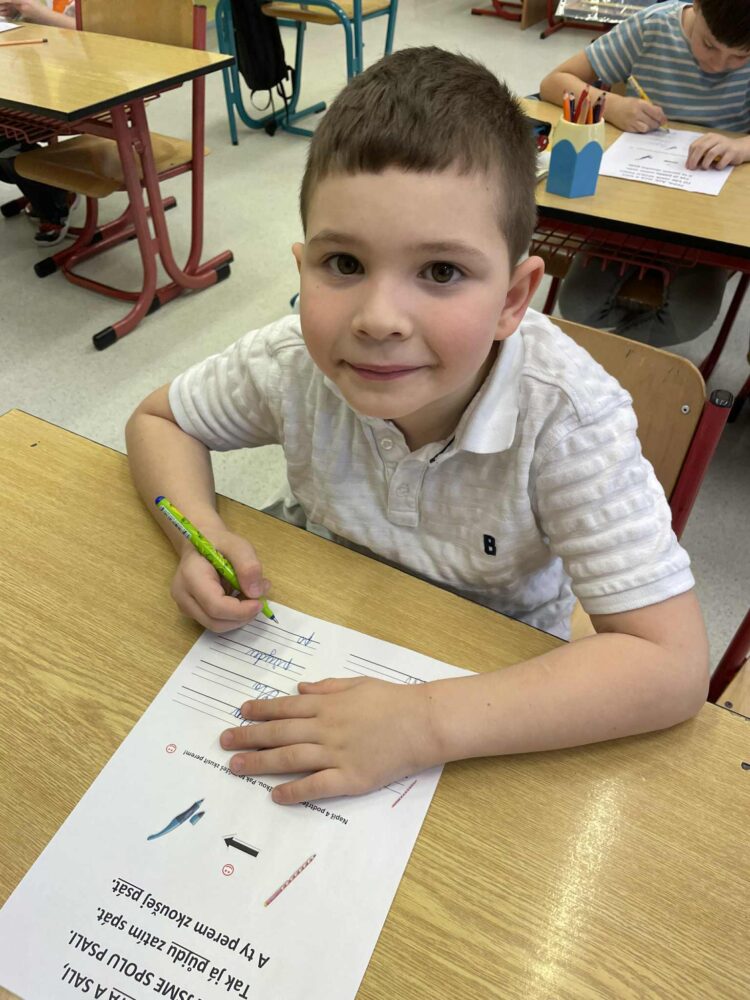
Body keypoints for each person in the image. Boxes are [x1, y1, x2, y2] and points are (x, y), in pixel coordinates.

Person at [126, 47, 709, 806]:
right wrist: (196, 532)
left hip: (491, 687)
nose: (378, 320)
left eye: (440, 272)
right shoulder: (293, 359)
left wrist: (423, 723)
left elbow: (671, 665)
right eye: (343, 264)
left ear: (514, 299)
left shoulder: (566, 417)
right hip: (314, 625)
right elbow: (159, 420)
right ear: (302, 267)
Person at [539, 0, 750, 347]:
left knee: (687, 321)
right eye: (709, 44)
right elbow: (553, 82)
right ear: (697, 6)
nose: (717, 64)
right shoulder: (652, 26)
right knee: (578, 306)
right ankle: (625, 351)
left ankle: (624, 357)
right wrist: (613, 105)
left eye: (739, 57)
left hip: (710, 222)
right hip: (631, 208)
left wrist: (741, 147)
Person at [0, 0, 77, 246]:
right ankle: (49, 188)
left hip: (78, 81)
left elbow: (102, 33)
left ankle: (54, 201)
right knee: (6, 137)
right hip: (35, 70)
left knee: (6, 139)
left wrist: (35, 11)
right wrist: (16, 12)